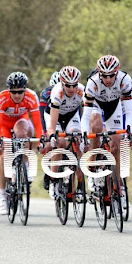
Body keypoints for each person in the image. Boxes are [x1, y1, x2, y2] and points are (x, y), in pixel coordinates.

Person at [81, 54, 132, 209]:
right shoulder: (92, 83)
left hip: (114, 106)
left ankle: (120, 188)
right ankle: (92, 168)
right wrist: (85, 134)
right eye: (104, 75)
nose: (108, 79)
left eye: (111, 75)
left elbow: (129, 111)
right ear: (99, 73)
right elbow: (85, 115)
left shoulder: (125, 80)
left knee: (116, 147)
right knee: (96, 127)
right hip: (97, 105)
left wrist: (128, 131)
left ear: (117, 72)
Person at [0, 71, 43, 214]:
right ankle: (2, 196)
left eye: (20, 91)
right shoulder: (1, 99)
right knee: (4, 154)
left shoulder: (31, 97)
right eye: (13, 92)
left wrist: (41, 142)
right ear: (9, 90)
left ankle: (25, 165)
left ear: (25, 89)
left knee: (24, 133)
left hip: (21, 121)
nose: (17, 95)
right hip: (4, 126)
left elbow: (38, 124)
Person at [44, 66, 84, 199]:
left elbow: (86, 115)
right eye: (68, 85)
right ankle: (53, 180)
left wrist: (84, 134)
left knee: (78, 142)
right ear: (62, 83)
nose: (72, 89)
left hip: (72, 116)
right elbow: (53, 122)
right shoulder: (57, 92)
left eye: (74, 85)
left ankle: (80, 185)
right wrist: (51, 134)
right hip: (54, 116)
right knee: (60, 143)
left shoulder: (82, 91)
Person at [39, 71, 60, 192]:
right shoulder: (45, 94)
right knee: (48, 144)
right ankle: (49, 172)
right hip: (49, 119)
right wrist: (45, 132)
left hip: (66, 119)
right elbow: (42, 116)